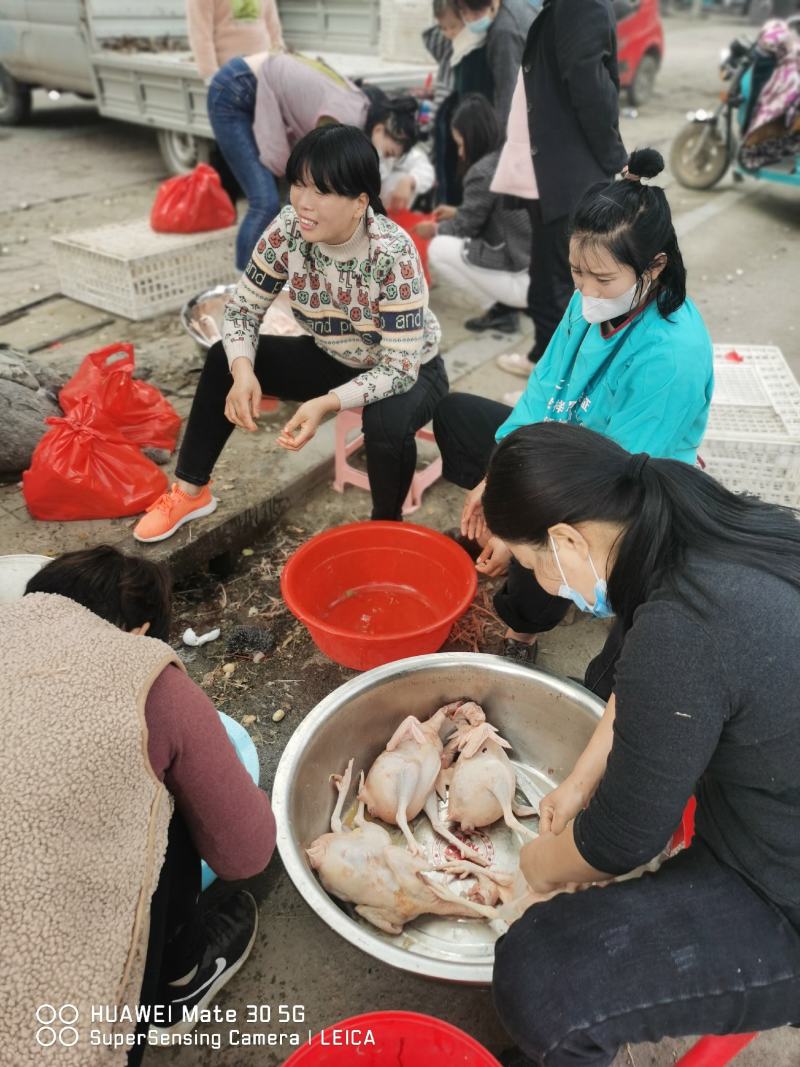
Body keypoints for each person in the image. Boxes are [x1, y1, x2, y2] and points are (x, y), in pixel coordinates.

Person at [482, 421, 800, 1067]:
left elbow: (618, 843)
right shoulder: (698, 530)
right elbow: (644, 679)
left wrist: (531, 870)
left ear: (565, 539)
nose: (538, 583)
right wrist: (576, 784)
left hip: (782, 887)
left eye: (530, 563)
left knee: (542, 975)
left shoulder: (686, 627)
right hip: (773, 795)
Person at [433, 149, 714, 664]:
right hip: (564, 444)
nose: (584, 291)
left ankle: (524, 631)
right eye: (576, 272)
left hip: (622, 486)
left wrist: (514, 527)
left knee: (539, 550)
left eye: (601, 279)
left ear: (655, 266)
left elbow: (612, 481)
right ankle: (515, 543)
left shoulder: (673, 356)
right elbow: (542, 388)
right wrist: (496, 477)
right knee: (455, 416)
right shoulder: (591, 300)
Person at [1, 546, 276, 1067]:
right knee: (168, 802)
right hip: (56, 1038)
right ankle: (178, 985)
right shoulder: (148, 678)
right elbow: (247, 853)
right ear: (141, 630)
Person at [134, 125, 446, 542]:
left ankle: (386, 528)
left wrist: (327, 403)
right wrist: (243, 372)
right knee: (220, 360)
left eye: (321, 191)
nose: (303, 202)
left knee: (385, 424)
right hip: (334, 356)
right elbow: (242, 309)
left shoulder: (393, 255)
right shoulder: (288, 231)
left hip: (410, 369)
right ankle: (191, 491)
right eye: (298, 184)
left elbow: (399, 369)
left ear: (360, 203)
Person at [492, 0, 628, 376]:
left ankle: (553, 395)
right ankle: (541, 361)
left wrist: (615, 156)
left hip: (571, 174)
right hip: (551, 171)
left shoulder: (580, 4)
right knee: (547, 278)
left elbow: (590, 86)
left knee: (565, 289)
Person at [207, 50, 434, 269]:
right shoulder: (345, 121)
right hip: (237, 88)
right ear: (379, 129)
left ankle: (270, 281)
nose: (385, 159)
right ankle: (245, 292)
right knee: (264, 203)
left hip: (255, 83)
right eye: (389, 152)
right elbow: (309, 183)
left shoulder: (366, 115)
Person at [417, 94, 531, 334]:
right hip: (542, 270)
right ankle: (507, 307)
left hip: (523, 279)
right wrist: (457, 211)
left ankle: (502, 309)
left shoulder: (482, 171)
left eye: (460, 144)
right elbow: (495, 212)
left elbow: (464, 228)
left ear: (473, 138)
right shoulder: (508, 155)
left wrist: (433, 229)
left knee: (438, 248)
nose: (459, 153)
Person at [455, 0, 538, 126]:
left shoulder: (504, 32)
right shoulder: (511, 6)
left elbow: (507, 94)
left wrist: (500, 141)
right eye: (464, 12)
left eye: (477, 14)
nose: (470, 19)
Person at [186, 0, 284, 84]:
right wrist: (211, 76)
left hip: (265, 74)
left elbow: (273, 28)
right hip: (229, 78)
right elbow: (200, 34)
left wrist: (280, 66)